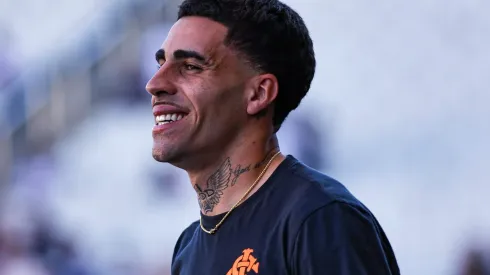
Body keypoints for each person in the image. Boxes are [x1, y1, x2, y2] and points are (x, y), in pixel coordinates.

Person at [145, 0, 400, 274]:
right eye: (161, 64)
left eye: (191, 66)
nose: (154, 84)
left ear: (258, 94)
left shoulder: (319, 218)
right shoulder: (188, 248)